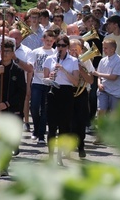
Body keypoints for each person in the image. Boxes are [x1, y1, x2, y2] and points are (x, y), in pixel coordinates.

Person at [0, 39, 26, 176]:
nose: (5, 54)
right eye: (3, 50)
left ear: (13, 53)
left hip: (10, 110)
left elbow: (22, 92)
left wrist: (8, 104)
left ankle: (4, 165)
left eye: (8, 51)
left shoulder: (18, 71)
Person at [43, 35, 79, 164]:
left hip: (66, 93)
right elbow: (45, 78)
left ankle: (60, 156)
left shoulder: (73, 61)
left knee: (64, 126)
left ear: (67, 47)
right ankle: (51, 156)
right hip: (53, 92)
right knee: (52, 126)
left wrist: (63, 70)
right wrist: (50, 77)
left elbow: (75, 82)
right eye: (58, 45)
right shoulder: (49, 59)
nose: (60, 48)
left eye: (63, 45)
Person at [26, 30, 57, 144]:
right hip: (37, 83)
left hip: (48, 84)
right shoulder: (36, 52)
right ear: (42, 40)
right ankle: (36, 129)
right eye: (47, 40)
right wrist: (29, 85)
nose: (49, 43)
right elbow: (30, 69)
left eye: (51, 41)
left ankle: (41, 135)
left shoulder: (55, 53)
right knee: (34, 107)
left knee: (44, 110)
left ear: (54, 41)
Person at [92, 38, 120, 144]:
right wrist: (99, 83)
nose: (104, 50)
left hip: (115, 91)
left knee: (114, 115)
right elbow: (99, 76)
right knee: (101, 111)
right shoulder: (103, 60)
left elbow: (114, 77)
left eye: (106, 48)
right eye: (103, 48)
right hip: (103, 90)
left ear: (113, 49)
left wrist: (98, 75)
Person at [69, 38, 95, 158]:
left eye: (77, 49)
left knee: (80, 120)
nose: (74, 51)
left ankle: (81, 145)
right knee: (68, 120)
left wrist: (80, 69)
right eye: (72, 49)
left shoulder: (85, 60)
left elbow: (90, 80)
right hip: (67, 91)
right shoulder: (64, 59)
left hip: (81, 92)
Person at [8, 28, 34, 131]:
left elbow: (29, 69)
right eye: (12, 38)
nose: (15, 40)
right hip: (6, 83)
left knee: (18, 111)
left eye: (17, 38)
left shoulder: (28, 51)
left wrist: (15, 59)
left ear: (21, 38)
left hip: (20, 84)